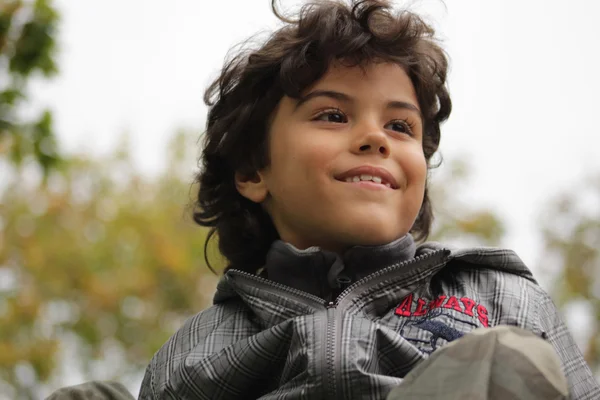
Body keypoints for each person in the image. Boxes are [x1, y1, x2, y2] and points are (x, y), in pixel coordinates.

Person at [48, 0, 600, 399]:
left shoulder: (498, 296)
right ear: (252, 171)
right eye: (332, 115)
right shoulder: (204, 344)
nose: (375, 137)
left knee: (507, 361)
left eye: (401, 126)